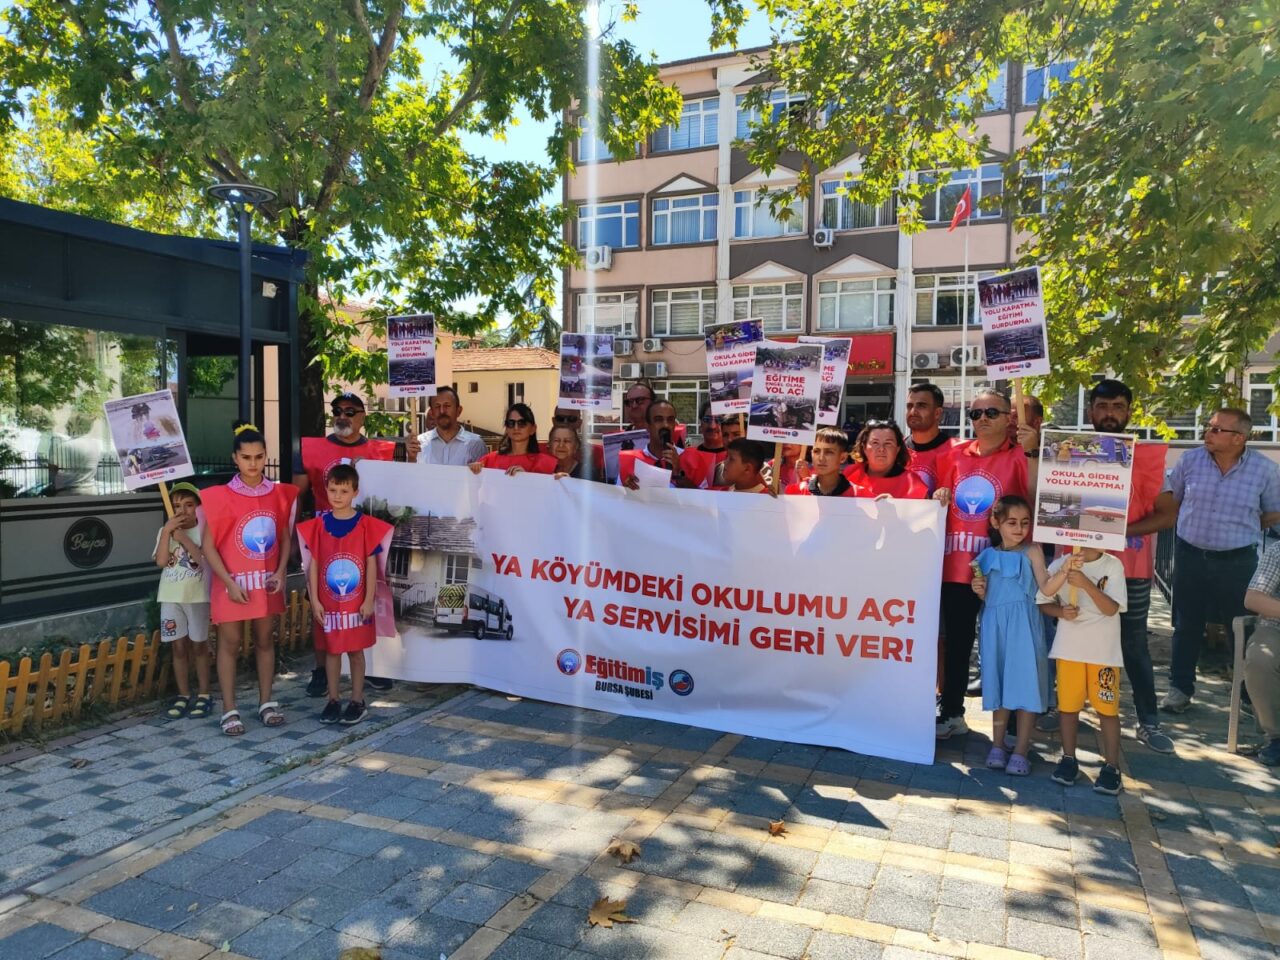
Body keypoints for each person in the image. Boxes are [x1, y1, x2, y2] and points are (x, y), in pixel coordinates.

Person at [1148, 408, 1280, 712]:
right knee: (1186, 624)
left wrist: (1238, 527)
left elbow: (1272, 513)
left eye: (1216, 429)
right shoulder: (1191, 460)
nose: (1207, 432)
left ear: (1239, 438)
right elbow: (1173, 499)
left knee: (1241, 627)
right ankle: (1180, 689)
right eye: (1208, 426)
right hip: (1191, 555)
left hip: (1238, 562)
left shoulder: (1264, 470)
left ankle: (1247, 694)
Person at [1074, 379, 1175, 752]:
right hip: (1079, 566)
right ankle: (1060, 707)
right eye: (1102, 406)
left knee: (1133, 645)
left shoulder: (1147, 460)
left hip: (1130, 568)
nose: (1110, 413)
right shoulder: (1068, 453)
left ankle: (1148, 721)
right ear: (1091, 411)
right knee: (1069, 634)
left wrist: (1116, 532)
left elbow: (1167, 515)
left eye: (1118, 406)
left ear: (1129, 411)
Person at [933, 388, 1040, 739]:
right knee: (958, 644)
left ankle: (1008, 723)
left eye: (991, 413)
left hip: (1006, 568)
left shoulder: (1021, 456)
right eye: (975, 414)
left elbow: (1039, 500)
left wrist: (1035, 451)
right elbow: (939, 500)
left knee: (1006, 646)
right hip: (958, 565)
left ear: (1010, 418)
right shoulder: (954, 455)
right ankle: (951, 712)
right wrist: (938, 497)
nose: (981, 420)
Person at [294, 392, 414, 697]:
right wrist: (295, 540)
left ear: (363, 416)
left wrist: (412, 455)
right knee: (324, 607)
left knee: (369, 604)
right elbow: (297, 498)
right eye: (337, 410)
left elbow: (400, 489)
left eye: (350, 410)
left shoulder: (381, 451)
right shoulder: (311, 448)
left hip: (363, 540)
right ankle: (321, 670)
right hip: (325, 538)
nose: (342, 416)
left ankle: (372, 668)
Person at [200, 423, 299, 736]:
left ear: (266, 456)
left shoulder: (278, 494)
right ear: (235, 458)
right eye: (246, 457)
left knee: (265, 639)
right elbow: (207, 545)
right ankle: (229, 709)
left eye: (258, 456)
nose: (253, 463)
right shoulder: (220, 497)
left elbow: (284, 535)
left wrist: (282, 570)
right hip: (233, 583)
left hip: (266, 581)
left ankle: (266, 702)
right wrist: (228, 582)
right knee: (229, 643)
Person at [296, 464, 394, 726]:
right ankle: (333, 700)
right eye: (332, 490)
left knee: (355, 651)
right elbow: (314, 563)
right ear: (325, 490)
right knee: (331, 650)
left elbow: (372, 564)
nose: (337, 495)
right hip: (327, 602)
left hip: (356, 602)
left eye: (343, 490)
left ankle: (357, 700)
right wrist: (314, 599)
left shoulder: (365, 526)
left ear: (355, 492)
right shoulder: (318, 525)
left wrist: (368, 598)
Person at [970, 495, 1056, 775]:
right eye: (1012, 522)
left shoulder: (1033, 551)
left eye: (1025, 523)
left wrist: (1067, 571)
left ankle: (1021, 749)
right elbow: (983, 592)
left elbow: (1046, 587)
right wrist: (978, 589)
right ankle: (997, 746)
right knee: (998, 681)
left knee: (1027, 682)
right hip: (995, 625)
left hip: (1024, 625)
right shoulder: (986, 556)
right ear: (996, 522)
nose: (1019, 529)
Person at [1038, 547, 1129, 794]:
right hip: (1069, 650)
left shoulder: (1113, 565)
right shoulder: (1061, 563)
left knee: (1107, 710)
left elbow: (1111, 609)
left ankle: (1111, 766)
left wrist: (1086, 584)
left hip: (1103, 654)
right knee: (1068, 708)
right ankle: (1068, 759)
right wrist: (1061, 612)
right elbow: (1044, 600)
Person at [153, 482, 212, 721]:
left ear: (198, 507)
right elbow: (161, 561)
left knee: (199, 646)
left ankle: (205, 694)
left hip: (197, 597)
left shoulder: (204, 530)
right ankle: (184, 694)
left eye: (189, 505)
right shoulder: (164, 531)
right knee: (178, 647)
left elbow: (202, 561)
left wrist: (185, 540)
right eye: (177, 505)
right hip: (170, 596)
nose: (182, 511)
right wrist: (167, 533)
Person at [1244, 539, 1280, 766]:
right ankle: (1276, 737)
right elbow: (1253, 598)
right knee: (1260, 659)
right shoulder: (1278, 550)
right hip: (1276, 627)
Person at [844, 421, 929, 499]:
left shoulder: (913, 484)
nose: (881, 449)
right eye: (875, 443)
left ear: (897, 449)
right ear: (864, 447)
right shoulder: (848, 475)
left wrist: (898, 506)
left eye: (888, 443)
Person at [470, 403, 558, 475]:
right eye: (511, 423)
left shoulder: (545, 463)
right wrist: (472, 471)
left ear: (533, 429)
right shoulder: (489, 460)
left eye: (522, 423)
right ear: (506, 428)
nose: (516, 428)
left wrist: (527, 479)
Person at [903, 382, 955, 494]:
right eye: (909, 406)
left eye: (921, 406)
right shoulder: (895, 450)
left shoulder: (957, 452)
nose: (913, 411)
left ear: (937, 413)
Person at [619, 400, 684, 488]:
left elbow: (704, 498)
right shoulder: (630, 461)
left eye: (670, 420)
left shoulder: (689, 458)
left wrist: (679, 474)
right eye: (658, 420)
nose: (665, 425)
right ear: (647, 425)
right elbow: (617, 499)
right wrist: (626, 491)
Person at [417, 386, 488, 466]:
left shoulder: (475, 444)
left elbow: (483, 476)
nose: (442, 411)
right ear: (432, 413)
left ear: (459, 410)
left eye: (447, 406)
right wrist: (411, 459)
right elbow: (413, 475)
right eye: (437, 406)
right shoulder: (419, 443)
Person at [786, 429, 855, 497]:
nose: (821, 458)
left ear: (843, 457)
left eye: (829, 452)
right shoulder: (796, 492)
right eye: (816, 451)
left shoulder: (859, 494)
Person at [48, 414, 102, 497]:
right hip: (91, 491)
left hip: (67, 493)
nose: (66, 426)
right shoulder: (97, 445)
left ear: (77, 426)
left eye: (69, 424)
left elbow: (52, 471)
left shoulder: (64, 446)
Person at [679, 402, 729, 490]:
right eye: (707, 419)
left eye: (719, 420)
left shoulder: (735, 458)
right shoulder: (686, 456)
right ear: (700, 424)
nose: (712, 426)